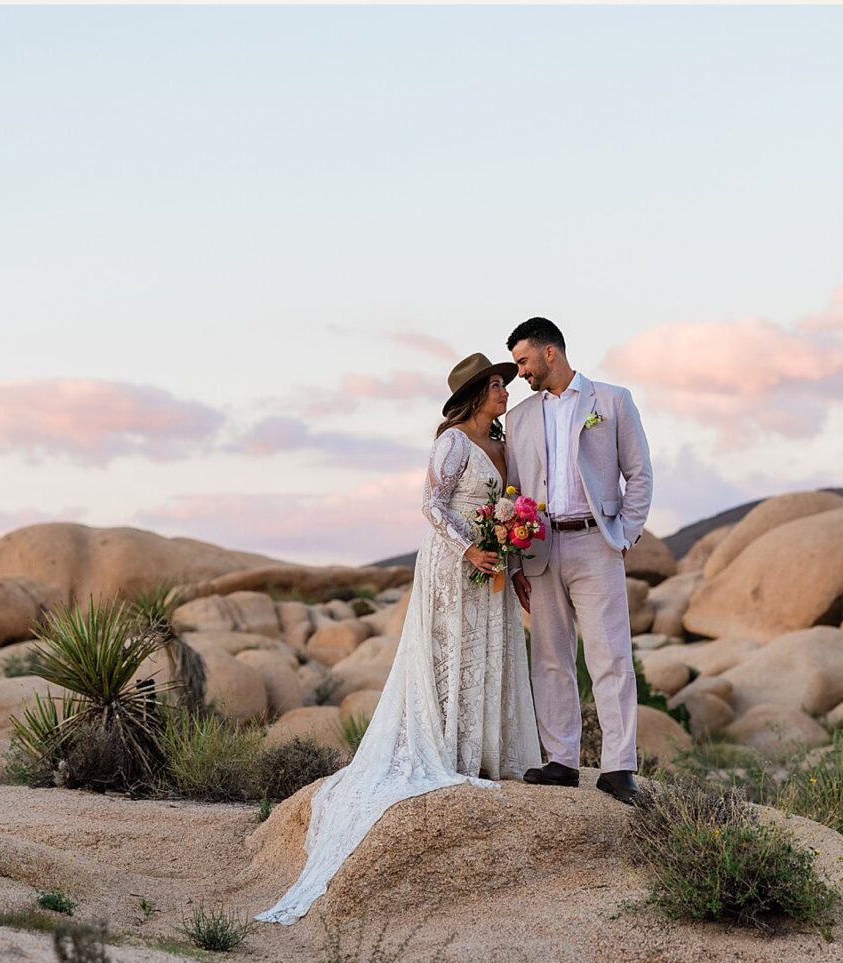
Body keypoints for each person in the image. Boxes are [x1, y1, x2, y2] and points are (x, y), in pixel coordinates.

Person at [255, 352, 542, 924]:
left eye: (504, 385)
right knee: (449, 653)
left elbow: (505, 509)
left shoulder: (503, 447)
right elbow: (431, 506)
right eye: (495, 386)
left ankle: (481, 752)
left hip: (492, 564)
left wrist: (511, 565)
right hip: (452, 563)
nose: (505, 393)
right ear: (475, 392)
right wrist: (470, 549)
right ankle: (448, 749)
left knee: (487, 654)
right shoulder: (453, 443)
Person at [502, 317, 654, 805]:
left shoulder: (611, 401)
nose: (520, 372)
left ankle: (618, 767)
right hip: (541, 547)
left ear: (550, 353)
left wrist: (624, 534)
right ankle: (562, 760)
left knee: (610, 655)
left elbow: (639, 473)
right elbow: (515, 490)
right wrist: (517, 562)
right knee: (549, 657)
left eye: (523, 360)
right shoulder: (521, 418)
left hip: (596, 543)